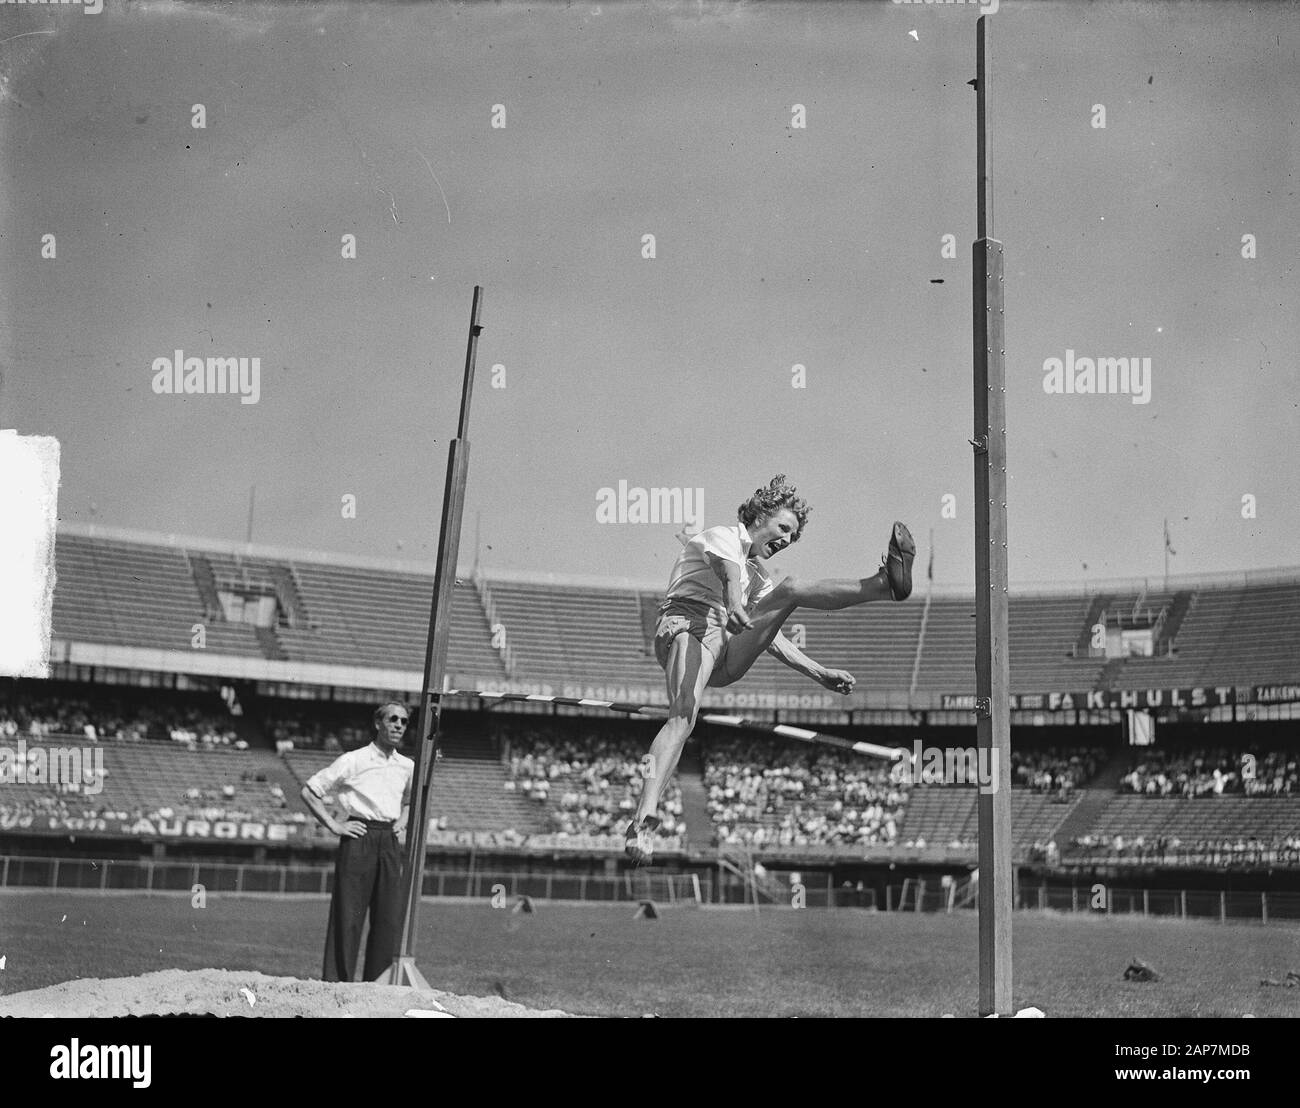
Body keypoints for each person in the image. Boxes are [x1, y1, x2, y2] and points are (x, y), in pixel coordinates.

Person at [626, 474, 914, 862]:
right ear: (759, 515)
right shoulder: (723, 536)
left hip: (722, 652)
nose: (786, 541)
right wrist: (734, 604)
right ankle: (644, 818)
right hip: (686, 626)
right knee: (682, 718)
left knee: (790, 588)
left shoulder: (757, 575)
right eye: (783, 528)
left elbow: (771, 634)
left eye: (792, 537)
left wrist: (819, 672)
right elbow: (728, 576)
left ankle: (883, 585)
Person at [300, 702, 414, 981]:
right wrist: (335, 825)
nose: (399, 725)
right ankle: (337, 984)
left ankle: (377, 984)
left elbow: (410, 801)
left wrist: (402, 820)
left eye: (404, 721)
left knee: (388, 918)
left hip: (388, 839)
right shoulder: (354, 759)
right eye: (393, 719)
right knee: (348, 915)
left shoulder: (407, 765)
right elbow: (310, 791)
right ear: (378, 723)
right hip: (359, 836)